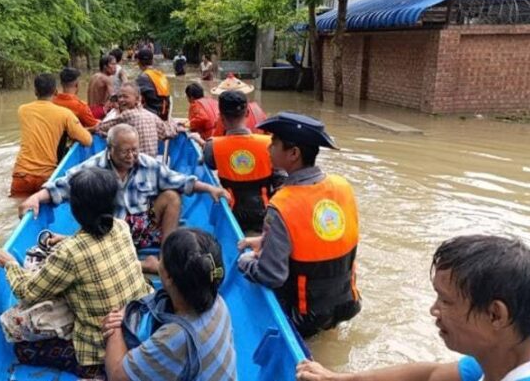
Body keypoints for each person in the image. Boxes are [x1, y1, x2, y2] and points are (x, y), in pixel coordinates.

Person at [296, 235, 530, 381]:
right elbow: (430, 376)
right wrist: (341, 380)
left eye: (446, 301)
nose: (433, 310)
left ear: (495, 314)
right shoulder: (524, 346)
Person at [0, 168, 151, 379]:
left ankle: (93, 370)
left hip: (101, 348)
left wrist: (10, 263)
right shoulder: (121, 227)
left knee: (22, 349)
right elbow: (97, 245)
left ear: (75, 211)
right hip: (138, 327)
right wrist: (67, 240)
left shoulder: (71, 252)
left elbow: (26, 291)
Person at [19, 124, 229, 272]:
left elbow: (180, 180)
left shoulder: (146, 163)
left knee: (172, 196)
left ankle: (164, 261)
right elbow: (64, 186)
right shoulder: (94, 166)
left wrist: (211, 188)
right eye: (125, 151)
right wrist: (36, 197)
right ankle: (139, 263)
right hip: (108, 228)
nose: (131, 156)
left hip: (142, 225)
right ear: (110, 150)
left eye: (135, 150)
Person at [237, 112, 360, 338]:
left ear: (293, 154)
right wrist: (265, 241)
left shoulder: (282, 204)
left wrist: (245, 262)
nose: (268, 147)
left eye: (274, 143)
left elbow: (271, 275)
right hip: (347, 302)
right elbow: (316, 238)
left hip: (303, 314)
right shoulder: (342, 186)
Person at [101, 228, 237, 381]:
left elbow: (116, 376)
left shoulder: (175, 338)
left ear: (168, 276)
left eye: (161, 259)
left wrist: (116, 326)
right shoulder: (217, 302)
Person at [11, 73, 93, 197]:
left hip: (21, 174)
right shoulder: (65, 114)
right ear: (55, 91)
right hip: (46, 176)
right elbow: (87, 141)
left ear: (35, 91)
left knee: (20, 211)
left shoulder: (22, 110)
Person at [204, 91, 273, 234]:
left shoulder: (212, 146)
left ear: (221, 118)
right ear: (247, 113)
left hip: (232, 214)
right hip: (264, 213)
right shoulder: (269, 144)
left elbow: (209, 164)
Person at [96, 82, 177, 158]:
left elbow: (101, 128)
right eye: (119, 97)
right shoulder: (151, 115)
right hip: (151, 161)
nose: (121, 100)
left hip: (134, 162)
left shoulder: (128, 115)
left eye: (125, 97)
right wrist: (173, 122)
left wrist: (93, 128)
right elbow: (168, 132)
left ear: (137, 99)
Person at [135, 48, 171, 120]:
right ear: (152, 61)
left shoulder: (142, 77)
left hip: (153, 114)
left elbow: (133, 94)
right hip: (164, 113)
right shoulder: (161, 75)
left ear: (138, 61)